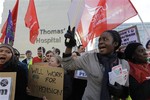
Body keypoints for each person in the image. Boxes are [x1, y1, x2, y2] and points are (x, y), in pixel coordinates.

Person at [62, 26, 130, 100]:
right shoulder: (89, 58)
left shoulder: (123, 63)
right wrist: (69, 47)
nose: (101, 42)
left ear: (115, 43)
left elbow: (125, 90)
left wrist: (120, 92)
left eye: (105, 39)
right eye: (99, 40)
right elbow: (67, 65)